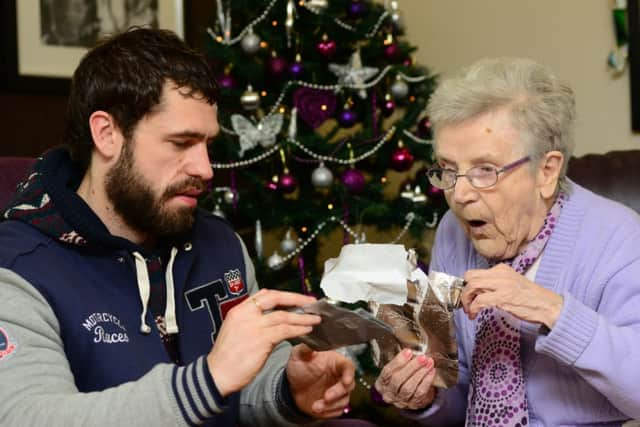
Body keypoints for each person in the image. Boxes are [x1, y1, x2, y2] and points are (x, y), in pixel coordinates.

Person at [0, 28, 354, 426]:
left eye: (207, 144)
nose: (204, 169)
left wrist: (287, 389)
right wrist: (204, 382)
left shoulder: (220, 245)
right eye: (180, 143)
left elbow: (242, 383)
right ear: (107, 133)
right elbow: (26, 416)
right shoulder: (16, 269)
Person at [374, 57, 640, 426]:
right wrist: (425, 396)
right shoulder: (454, 230)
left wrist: (553, 312)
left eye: (485, 170)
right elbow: (458, 395)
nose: (460, 194)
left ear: (546, 171)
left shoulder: (618, 238)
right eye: (448, 170)